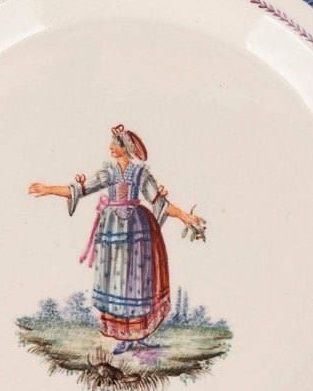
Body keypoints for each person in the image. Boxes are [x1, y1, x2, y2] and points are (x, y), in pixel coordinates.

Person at [28, 125, 206, 353]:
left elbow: (159, 203)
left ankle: (139, 335)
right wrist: (49, 189)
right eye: (112, 143)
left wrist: (184, 216)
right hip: (112, 230)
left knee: (138, 281)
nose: (111, 147)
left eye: (116, 144)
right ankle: (124, 337)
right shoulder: (109, 173)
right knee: (117, 281)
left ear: (127, 148)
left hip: (137, 230)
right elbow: (80, 190)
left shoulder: (141, 174)